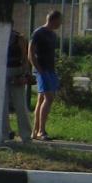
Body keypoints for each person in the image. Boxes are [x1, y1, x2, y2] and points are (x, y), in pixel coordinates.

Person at [30, 9, 61, 141]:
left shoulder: (53, 35)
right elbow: (30, 53)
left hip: (51, 70)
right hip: (42, 70)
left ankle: (35, 131)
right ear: (53, 20)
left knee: (42, 100)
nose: (60, 24)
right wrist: (38, 69)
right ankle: (42, 131)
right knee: (49, 98)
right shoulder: (39, 33)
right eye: (59, 21)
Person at [4, 25, 33, 144]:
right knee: (3, 105)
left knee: (20, 104)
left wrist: (25, 74)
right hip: (2, 71)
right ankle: (4, 133)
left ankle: (25, 134)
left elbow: (24, 57)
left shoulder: (18, 38)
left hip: (16, 70)